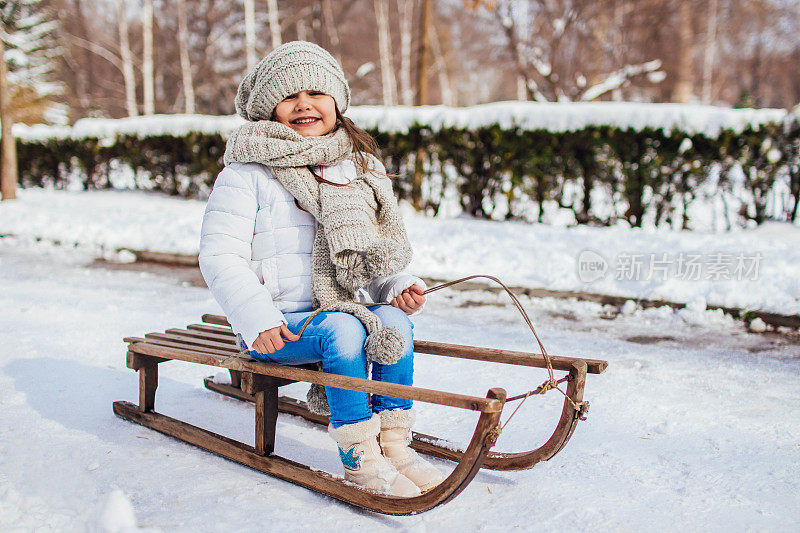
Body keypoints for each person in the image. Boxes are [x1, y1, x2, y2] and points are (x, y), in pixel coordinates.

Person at [198, 41, 443, 497]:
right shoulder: (247, 173)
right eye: (289, 96)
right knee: (344, 331)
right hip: (279, 327)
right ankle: (359, 455)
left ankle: (395, 445)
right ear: (269, 109)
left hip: (342, 310)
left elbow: (372, 253)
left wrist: (399, 285)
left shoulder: (357, 169)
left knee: (393, 321)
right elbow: (219, 256)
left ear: (337, 102)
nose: (304, 104)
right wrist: (256, 319)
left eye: (316, 93)